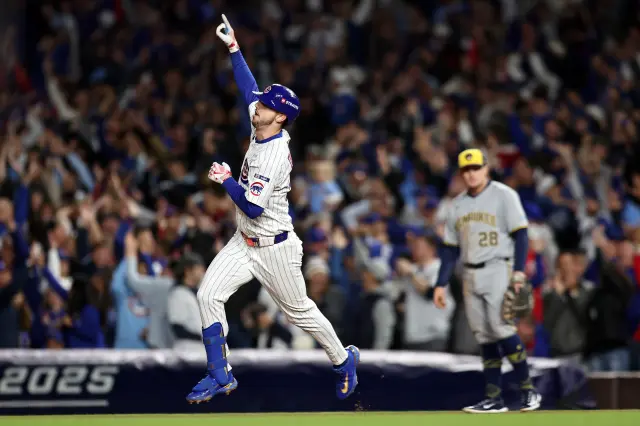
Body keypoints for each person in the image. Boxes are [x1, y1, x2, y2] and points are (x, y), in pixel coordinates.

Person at [186, 14, 359, 404]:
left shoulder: (274, 154)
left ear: (280, 117)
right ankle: (219, 373)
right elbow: (246, 86)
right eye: (262, 102)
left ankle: (343, 359)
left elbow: (250, 204)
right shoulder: (262, 122)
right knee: (207, 295)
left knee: (300, 312)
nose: (258, 105)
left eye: (266, 105)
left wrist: (226, 178)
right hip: (243, 241)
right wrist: (234, 47)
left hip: (274, 246)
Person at [434, 148, 542, 413]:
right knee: (485, 336)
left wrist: (519, 271)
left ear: (486, 168)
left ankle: (528, 390)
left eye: (476, 168)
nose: (471, 173)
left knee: (501, 329)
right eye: (466, 170)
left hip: (497, 267)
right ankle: (494, 398)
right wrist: (441, 283)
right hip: (469, 273)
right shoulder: (456, 205)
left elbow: (521, 234)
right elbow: (450, 249)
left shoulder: (504, 195)